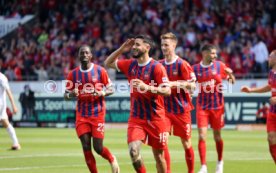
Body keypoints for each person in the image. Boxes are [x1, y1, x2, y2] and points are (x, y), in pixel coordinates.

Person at [105, 35, 171, 173]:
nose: (134, 47)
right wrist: (122, 49)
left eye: (138, 44)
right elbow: (108, 62)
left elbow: (167, 90)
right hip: (137, 118)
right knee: (133, 151)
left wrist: (147, 88)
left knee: (159, 157)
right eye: (134, 44)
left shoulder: (157, 67)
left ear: (147, 47)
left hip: (156, 118)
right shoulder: (130, 64)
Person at [64, 45, 120, 173]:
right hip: (82, 115)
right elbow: (65, 95)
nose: (84, 55)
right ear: (78, 56)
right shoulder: (73, 74)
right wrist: (71, 94)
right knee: (85, 145)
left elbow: (111, 89)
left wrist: (102, 93)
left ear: (91, 56)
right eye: (81, 53)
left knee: (98, 148)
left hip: (97, 113)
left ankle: (111, 158)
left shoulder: (100, 71)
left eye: (86, 53)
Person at [192, 44, 235, 173]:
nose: (215, 56)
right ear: (205, 53)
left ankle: (220, 162)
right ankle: (203, 166)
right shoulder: (195, 68)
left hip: (217, 106)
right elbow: (190, 84)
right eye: (213, 53)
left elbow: (232, 82)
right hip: (202, 107)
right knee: (201, 136)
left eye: (215, 54)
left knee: (217, 136)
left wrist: (231, 75)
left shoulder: (220, 66)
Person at [159, 32, 196, 173]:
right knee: (163, 143)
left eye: (166, 45)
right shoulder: (159, 64)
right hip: (164, 110)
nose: (163, 48)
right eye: (162, 44)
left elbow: (192, 86)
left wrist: (172, 84)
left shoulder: (182, 64)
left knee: (186, 143)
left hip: (181, 109)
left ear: (174, 45)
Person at [241, 50, 276, 164]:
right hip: (273, 112)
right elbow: (269, 86)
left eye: (270, 57)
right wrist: (251, 90)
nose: (268, 59)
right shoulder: (271, 72)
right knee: (271, 139)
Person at [0, 72, 21, 150]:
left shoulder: (2, 78)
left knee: (5, 122)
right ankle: (16, 143)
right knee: (6, 123)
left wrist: (14, 106)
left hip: (0, 105)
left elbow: (8, 92)